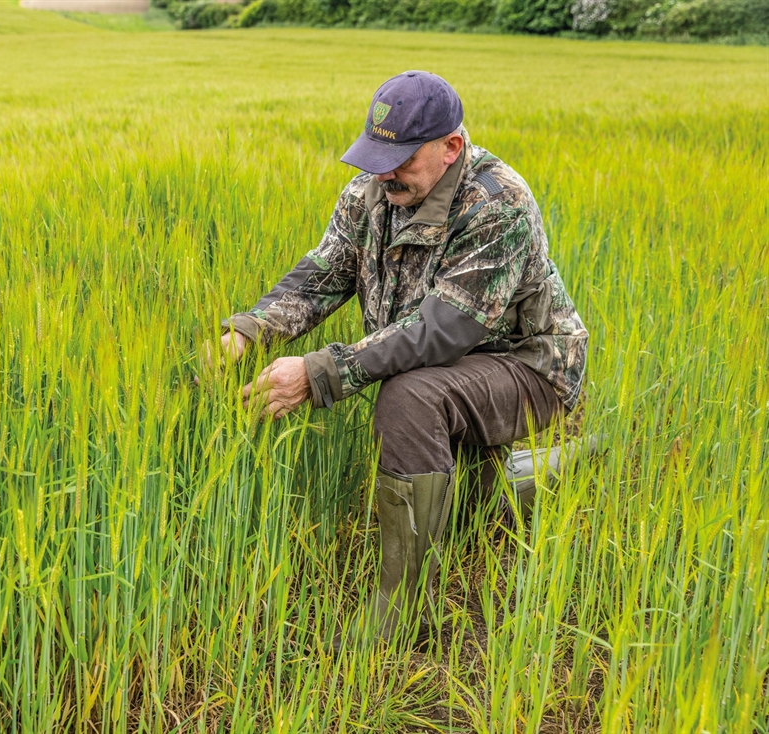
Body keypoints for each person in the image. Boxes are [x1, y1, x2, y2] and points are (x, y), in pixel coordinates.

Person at [209, 71, 588, 644]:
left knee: (409, 397)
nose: (384, 173)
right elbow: (323, 274)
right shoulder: (372, 191)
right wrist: (249, 331)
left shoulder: (498, 201)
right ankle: (524, 478)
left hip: (528, 366)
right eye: (376, 156)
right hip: (453, 367)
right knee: (472, 503)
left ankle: (399, 607)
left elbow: (445, 328)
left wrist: (318, 373)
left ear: (450, 148)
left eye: (401, 160)